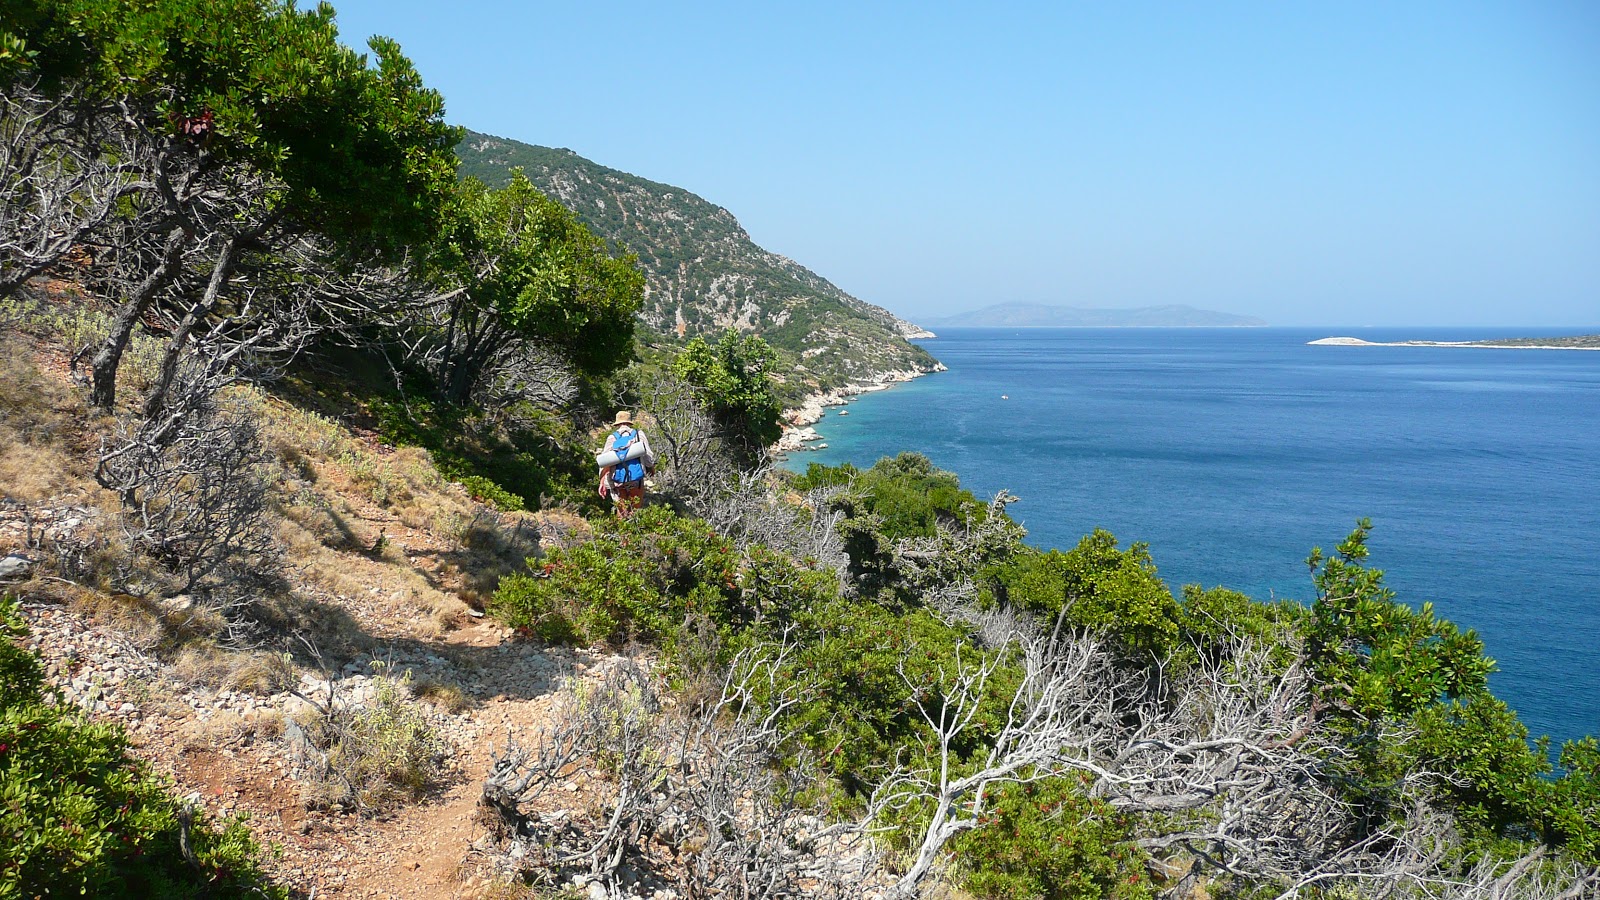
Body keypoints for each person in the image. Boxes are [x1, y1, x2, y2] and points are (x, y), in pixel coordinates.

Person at [597, 411, 654, 517]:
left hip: (618, 481)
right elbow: (648, 455)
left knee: (622, 512)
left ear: (617, 423)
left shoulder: (612, 438)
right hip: (636, 480)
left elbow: (604, 461)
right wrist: (651, 468)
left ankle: (622, 531)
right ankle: (634, 530)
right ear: (629, 422)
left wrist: (602, 482)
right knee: (635, 511)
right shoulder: (638, 434)